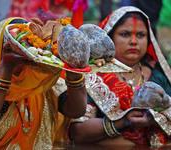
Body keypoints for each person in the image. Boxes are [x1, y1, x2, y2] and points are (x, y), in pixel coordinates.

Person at [0, 17, 87, 149]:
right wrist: (6, 67)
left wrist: (73, 71)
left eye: (27, 46)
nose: (22, 54)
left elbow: (76, 110)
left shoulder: (37, 80)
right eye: (15, 47)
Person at [69, 6, 171, 148]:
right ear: (109, 38)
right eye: (125, 34)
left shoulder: (159, 75)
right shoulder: (94, 76)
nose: (134, 41)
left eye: (141, 35)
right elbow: (78, 133)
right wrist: (122, 121)